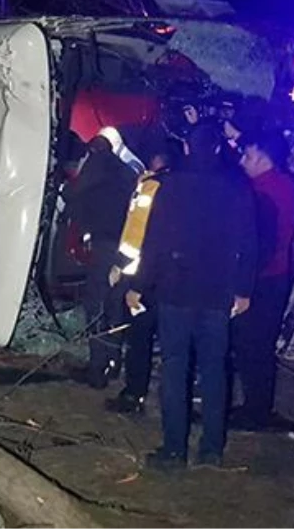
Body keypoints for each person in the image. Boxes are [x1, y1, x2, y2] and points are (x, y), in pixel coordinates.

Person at [124, 125, 258, 472]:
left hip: (176, 291)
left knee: (175, 370)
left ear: (186, 147)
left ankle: (174, 450)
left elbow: (153, 242)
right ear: (217, 148)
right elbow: (249, 243)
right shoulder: (237, 187)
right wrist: (243, 290)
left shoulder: (172, 186)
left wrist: (139, 284)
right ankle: (212, 448)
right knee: (214, 370)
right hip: (216, 293)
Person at [106, 138, 183, 414]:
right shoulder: (182, 187)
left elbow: (137, 232)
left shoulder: (149, 187)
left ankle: (133, 394)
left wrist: (119, 265)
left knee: (139, 338)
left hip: (141, 276)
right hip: (171, 276)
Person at [231, 130, 294, 430]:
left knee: (252, 346)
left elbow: (259, 243)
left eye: (248, 155)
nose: (243, 161)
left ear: (263, 158)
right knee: (258, 346)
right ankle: (256, 406)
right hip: (276, 275)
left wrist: (242, 281)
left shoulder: (263, 192)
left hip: (262, 279)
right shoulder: (285, 185)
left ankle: (256, 410)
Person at [62, 128, 137, 388]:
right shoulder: (129, 172)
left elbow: (72, 194)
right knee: (116, 306)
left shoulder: (96, 165)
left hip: (104, 246)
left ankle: (97, 370)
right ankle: (114, 363)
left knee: (96, 306)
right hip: (126, 249)